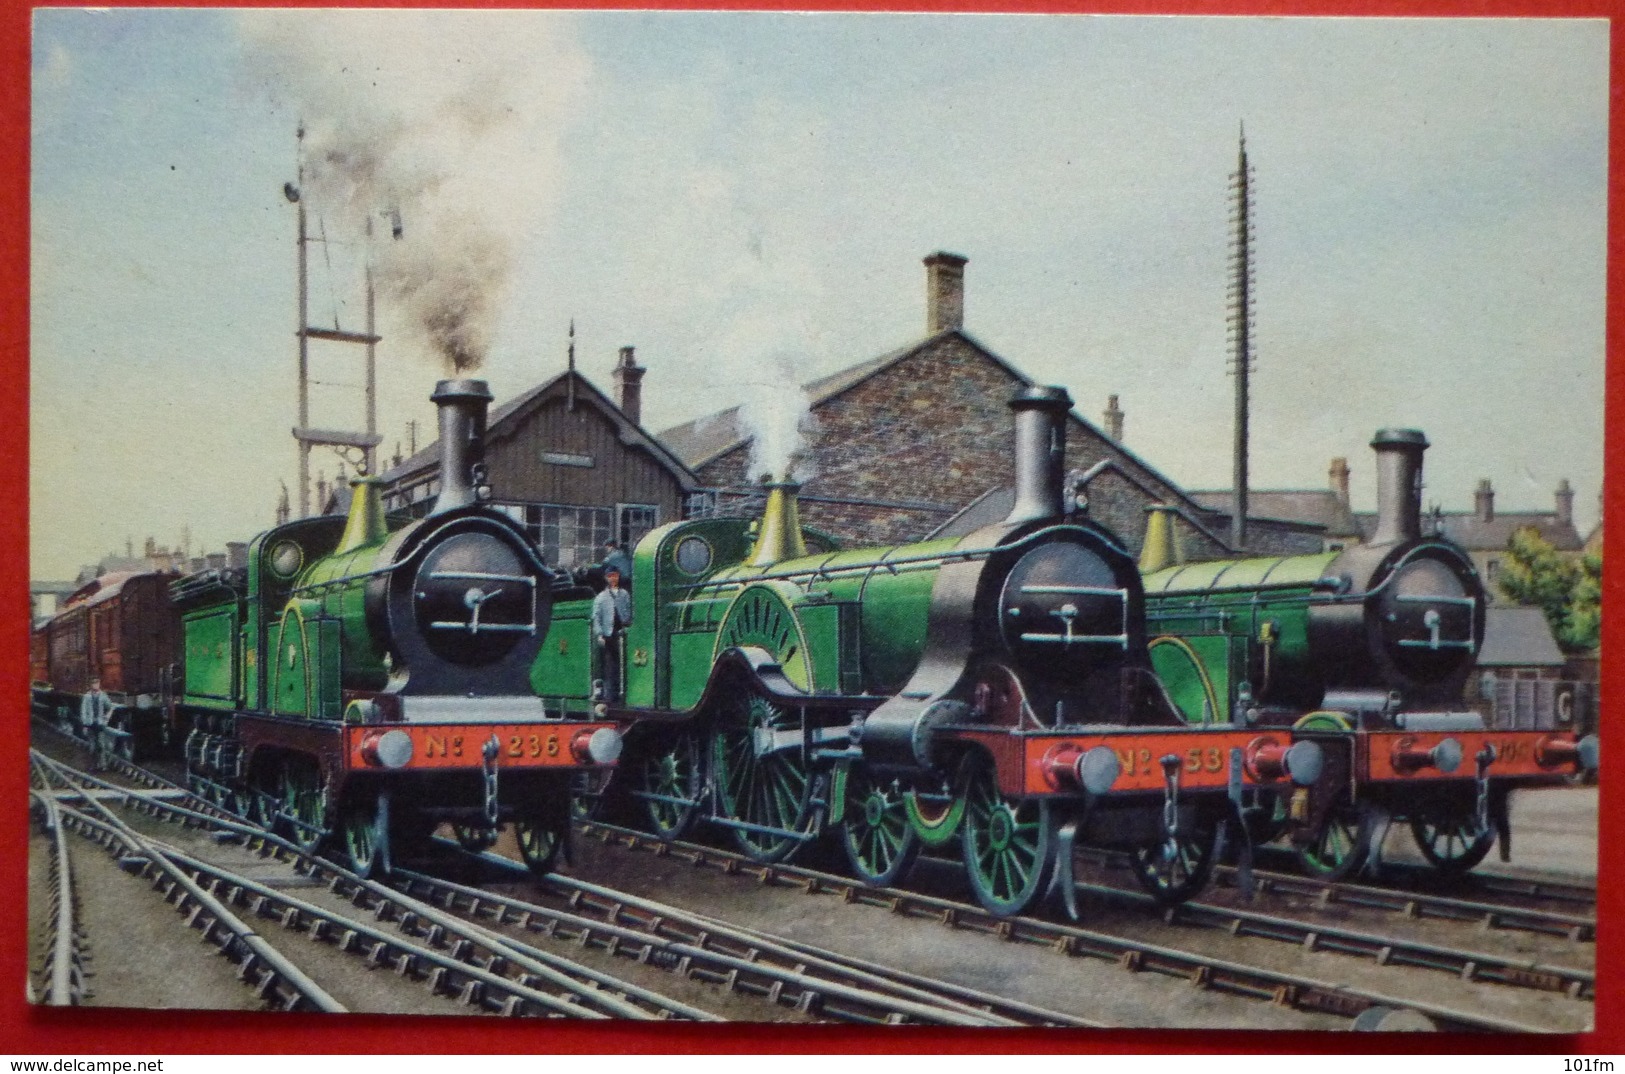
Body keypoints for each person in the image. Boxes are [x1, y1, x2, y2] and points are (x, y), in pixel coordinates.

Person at [592, 567, 633, 704]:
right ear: (606, 578)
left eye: (615, 575)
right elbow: (596, 617)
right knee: (610, 665)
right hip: (609, 633)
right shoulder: (601, 597)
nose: (613, 578)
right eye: (610, 576)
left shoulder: (624, 594)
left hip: (623, 631)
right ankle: (610, 694)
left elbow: (629, 610)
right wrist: (599, 634)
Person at [79, 678, 112, 771]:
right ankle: (92, 765)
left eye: (97, 683)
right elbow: (83, 711)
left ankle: (103, 765)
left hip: (100, 723)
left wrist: (106, 718)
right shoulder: (87, 696)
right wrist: (84, 724)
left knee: (101, 745)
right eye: (94, 684)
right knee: (92, 746)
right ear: (91, 685)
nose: (95, 685)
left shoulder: (103, 696)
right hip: (90, 724)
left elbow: (109, 707)